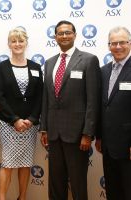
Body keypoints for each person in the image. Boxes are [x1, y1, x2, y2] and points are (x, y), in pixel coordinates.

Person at [40, 20, 101, 200]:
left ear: (75, 35)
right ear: (55, 37)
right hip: (53, 134)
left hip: (77, 135)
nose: (64, 36)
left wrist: (88, 133)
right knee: (55, 183)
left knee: (78, 183)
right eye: (60, 33)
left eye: (68, 32)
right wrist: (44, 128)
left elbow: (92, 100)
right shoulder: (50, 63)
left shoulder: (89, 60)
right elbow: (46, 98)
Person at [0, 27, 43, 200]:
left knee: (25, 163)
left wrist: (31, 119)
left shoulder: (36, 67)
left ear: (26, 43)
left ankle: (22, 197)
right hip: (9, 125)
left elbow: (40, 97)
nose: (17, 44)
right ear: (9, 44)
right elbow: (0, 97)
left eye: (21, 40)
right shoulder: (1, 68)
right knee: (7, 163)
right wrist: (15, 120)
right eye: (14, 41)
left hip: (30, 126)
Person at [95, 26, 131, 200]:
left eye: (122, 42)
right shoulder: (103, 71)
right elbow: (103, 107)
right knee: (113, 190)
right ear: (109, 46)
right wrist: (99, 137)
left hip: (128, 146)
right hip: (108, 146)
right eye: (113, 43)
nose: (118, 46)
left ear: (129, 43)